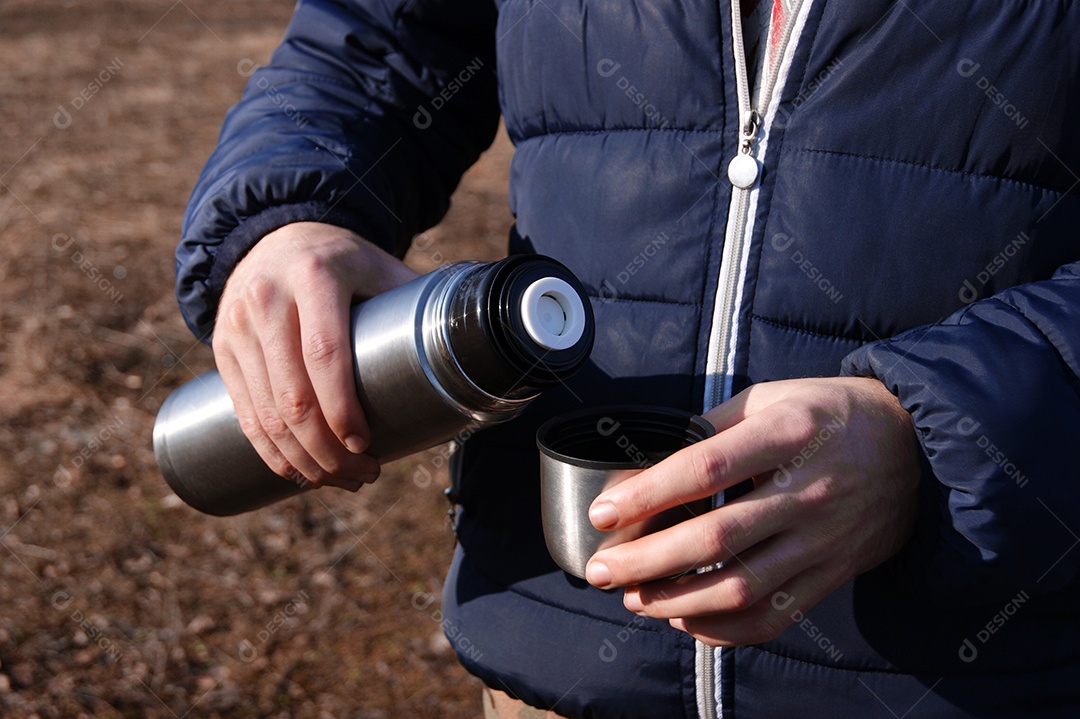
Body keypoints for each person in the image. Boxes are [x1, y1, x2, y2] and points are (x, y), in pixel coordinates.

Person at [175, 0, 1080, 716]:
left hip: (966, 676)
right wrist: (290, 210)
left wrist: (937, 435)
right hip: (553, 666)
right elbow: (373, 39)